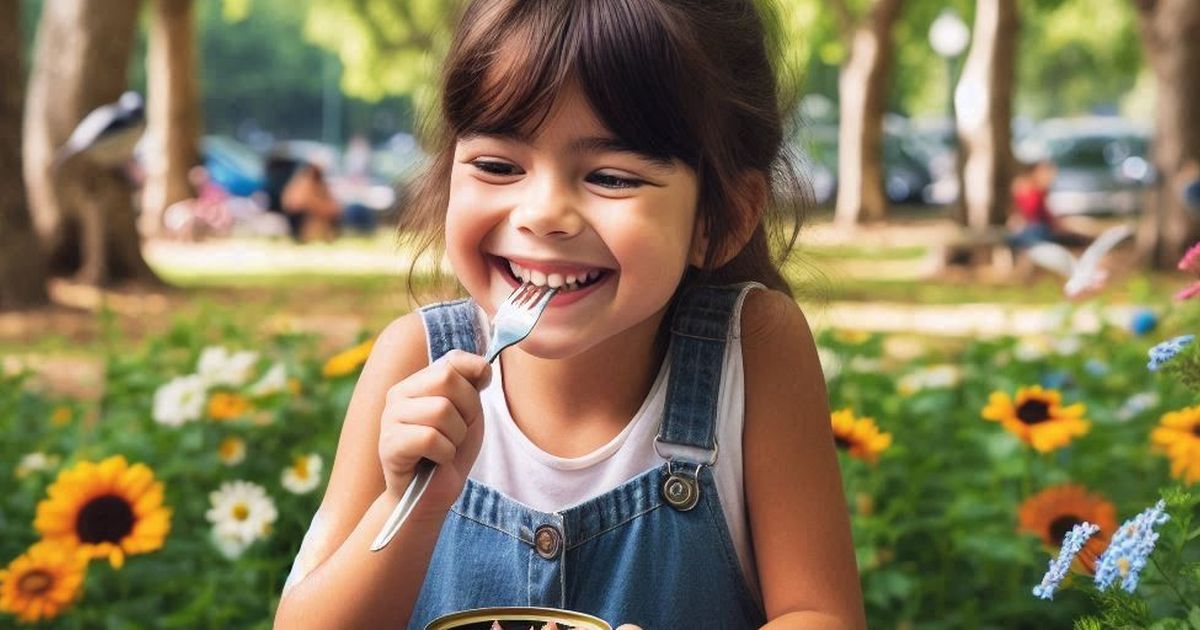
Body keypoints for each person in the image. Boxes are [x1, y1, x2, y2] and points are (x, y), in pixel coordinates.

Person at [274, 1, 865, 629]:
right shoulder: (412, 359)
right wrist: (409, 503)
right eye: (499, 166)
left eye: (612, 177)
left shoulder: (753, 351)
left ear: (722, 220)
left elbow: (820, 614)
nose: (543, 213)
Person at [1007, 159, 1088, 249]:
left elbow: (1047, 215)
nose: (1050, 177)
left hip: (1041, 229)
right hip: (1033, 230)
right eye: (1047, 173)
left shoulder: (1041, 191)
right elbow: (1029, 213)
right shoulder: (1026, 189)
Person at [281, 163, 342, 243]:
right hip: (303, 228)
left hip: (322, 229)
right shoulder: (300, 185)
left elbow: (334, 209)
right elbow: (293, 204)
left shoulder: (324, 187)